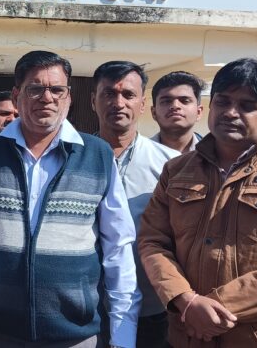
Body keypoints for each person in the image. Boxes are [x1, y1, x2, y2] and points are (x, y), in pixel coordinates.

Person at [0, 50, 141, 348]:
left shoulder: (97, 155)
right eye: (35, 89)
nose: (47, 98)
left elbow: (118, 250)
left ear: (69, 97)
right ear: (17, 95)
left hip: (76, 335)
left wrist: (123, 335)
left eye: (57, 90)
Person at [138, 57, 257, 347]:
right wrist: (185, 300)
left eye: (247, 105)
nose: (230, 112)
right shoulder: (176, 171)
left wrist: (216, 308)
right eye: (223, 101)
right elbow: (153, 241)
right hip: (187, 336)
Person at [91, 61, 179, 348]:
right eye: (108, 94)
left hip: (151, 309)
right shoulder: (72, 157)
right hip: (84, 308)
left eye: (128, 95)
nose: (118, 103)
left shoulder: (171, 165)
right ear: (93, 101)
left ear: (142, 104)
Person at [150, 71, 205, 153]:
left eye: (185, 101)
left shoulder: (218, 154)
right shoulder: (138, 155)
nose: (175, 106)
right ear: (154, 113)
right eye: (166, 101)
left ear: (199, 112)